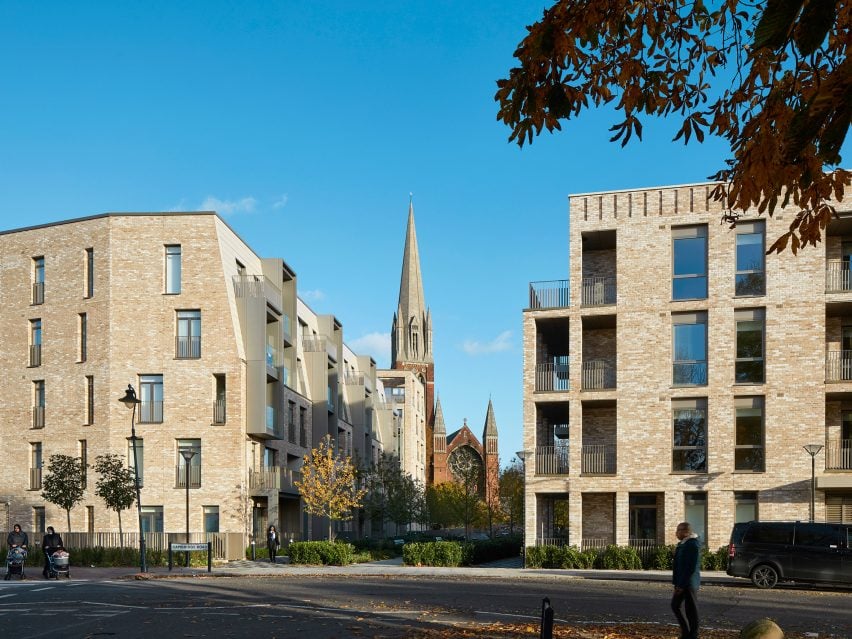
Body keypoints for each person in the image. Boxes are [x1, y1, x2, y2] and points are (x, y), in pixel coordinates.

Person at [671, 521, 701, 639]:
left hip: (689, 583)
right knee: (675, 605)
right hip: (682, 583)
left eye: (678, 530)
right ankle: (686, 633)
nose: (676, 533)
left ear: (685, 532)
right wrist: (676, 584)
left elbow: (690, 567)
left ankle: (692, 635)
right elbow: (678, 566)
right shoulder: (683, 544)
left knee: (691, 610)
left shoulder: (692, 544)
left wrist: (681, 585)